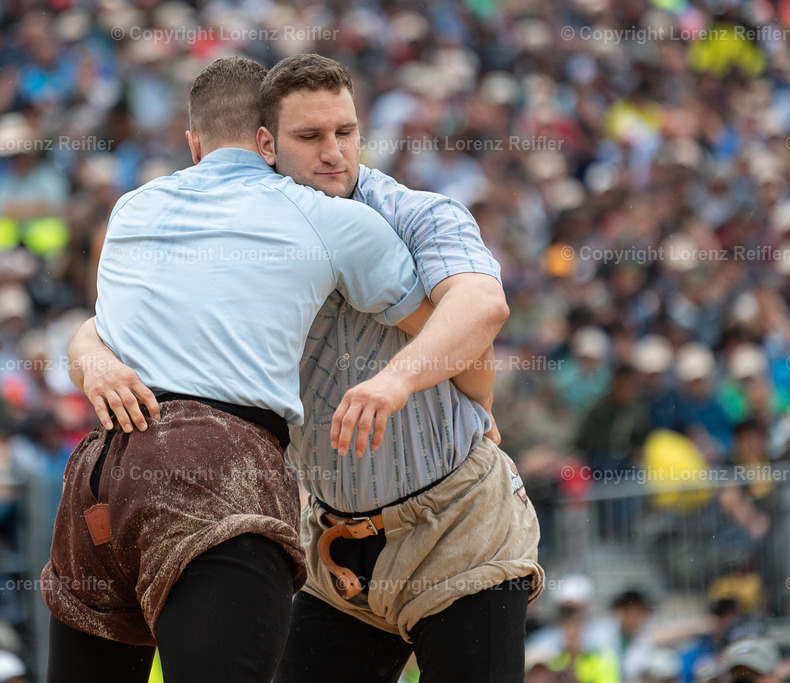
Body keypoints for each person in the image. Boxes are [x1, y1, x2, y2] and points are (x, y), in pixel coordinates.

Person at [69, 53, 543, 681]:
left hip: (455, 523)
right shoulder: (251, 228)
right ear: (265, 144)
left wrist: (400, 381)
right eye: (310, 136)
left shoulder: (419, 212)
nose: (333, 153)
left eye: (345, 132)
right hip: (335, 547)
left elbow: (482, 307)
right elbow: (118, 323)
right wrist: (93, 359)